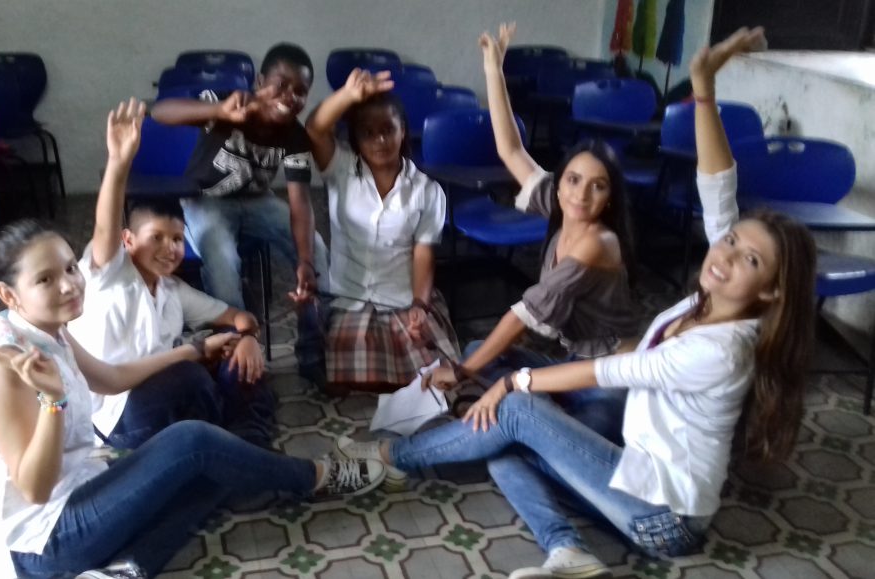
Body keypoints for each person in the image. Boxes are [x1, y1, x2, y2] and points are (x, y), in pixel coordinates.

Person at [338, 27, 816, 579]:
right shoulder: (713, 294)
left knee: (512, 408)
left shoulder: (719, 346)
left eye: (749, 259)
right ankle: (567, 550)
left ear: (772, 289)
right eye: (728, 241)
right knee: (502, 433)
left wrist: (509, 384)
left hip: (662, 515)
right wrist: (703, 88)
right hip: (629, 452)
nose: (725, 255)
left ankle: (386, 460)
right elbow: (718, 190)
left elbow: (604, 366)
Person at [0, 220, 386, 579]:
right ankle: (318, 476)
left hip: (77, 492)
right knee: (192, 441)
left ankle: (126, 569)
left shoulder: (47, 330)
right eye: (45, 279)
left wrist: (192, 350)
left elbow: (111, 379)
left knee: (207, 472)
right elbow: (34, 489)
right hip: (41, 542)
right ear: (9, 295)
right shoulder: (3, 370)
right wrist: (53, 402)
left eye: (69, 268)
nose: (69, 285)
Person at [427, 23, 641, 443]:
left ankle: (511, 422)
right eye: (574, 180)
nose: (581, 194)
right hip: (569, 369)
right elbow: (511, 150)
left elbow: (523, 315)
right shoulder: (560, 205)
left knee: (499, 395)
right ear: (558, 185)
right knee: (477, 351)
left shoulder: (599, 243)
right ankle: (514, 419)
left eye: (598, 186)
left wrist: (462, 372)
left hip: (611, 384)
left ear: (610, 199)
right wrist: (493, 70)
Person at [67, 99, 274, 449]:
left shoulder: (172, 290)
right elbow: (104, 227)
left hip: (164, 402)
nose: (169, 249)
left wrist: (248, 338)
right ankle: (236, 436)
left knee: (238, 364)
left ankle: (241, 439)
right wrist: (119, 163)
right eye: (156, 238)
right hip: (116, 417)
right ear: (128, 240)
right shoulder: (108, 275)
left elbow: (238, 316)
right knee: (192, 378)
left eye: (177, 239)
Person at [151, 43, 329, 384]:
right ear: (260, 81)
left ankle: (314, 352)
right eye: (281, 84)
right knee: (222, 258)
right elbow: (161, 112)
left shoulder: (294, 135)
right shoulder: (227, 102)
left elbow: (300, 201)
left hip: (258, 201)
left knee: (317, 251)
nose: (290, 96)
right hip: (206, 200)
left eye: (301, 91)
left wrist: (304, 259)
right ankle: (237, 360)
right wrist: (218, 110)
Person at [304, 68, 459, 394]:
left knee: (435, 374)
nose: (380, 141)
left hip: (401, 296)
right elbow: (314, 128)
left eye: (388, 130)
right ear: (356, 139)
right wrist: (347, 96)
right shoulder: (340, 169)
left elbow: (423, 254)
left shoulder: (427, 190)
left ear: (403, 132)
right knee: (347, 373)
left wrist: (419, 304)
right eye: (368, 133)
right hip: (350, 297)